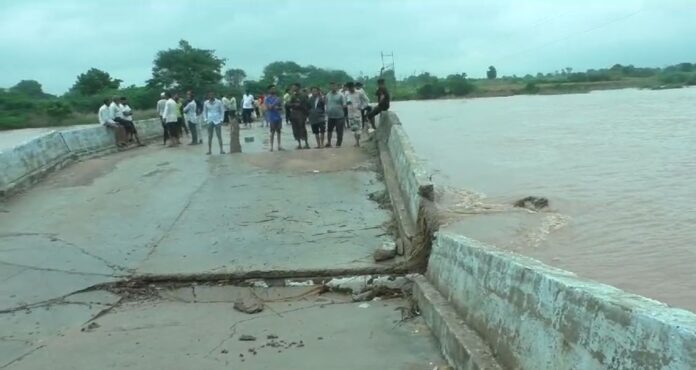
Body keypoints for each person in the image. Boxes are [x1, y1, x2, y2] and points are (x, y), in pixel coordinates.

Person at [344, 82, 368, 147]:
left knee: (359, 129)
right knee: (353, 129)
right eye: (349, 88)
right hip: (350, 113)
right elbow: (344, 102)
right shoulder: (346, 94)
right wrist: (346, 105)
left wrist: (362, 107)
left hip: (357, 113)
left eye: (351, 87)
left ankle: (358, 142)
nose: (350, 89)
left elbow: (366, 100)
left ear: (353, 87)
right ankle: (356, 141)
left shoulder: (359, 93)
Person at [287, 83, 310, 149]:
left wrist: (306, 115)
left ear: (298, 87)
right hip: (294, 114)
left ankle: (306, 143)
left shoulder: (303, 95)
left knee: (302, 128)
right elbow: (288, 104)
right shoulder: (292, 96)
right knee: (295, 129)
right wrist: (294, 104)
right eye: (292, 87)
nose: (293, 88)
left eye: (294, 87)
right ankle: (299, 144)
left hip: (301, 114)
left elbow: (307, 105)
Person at [325, 82, 346, 148]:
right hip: (330, 116)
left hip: (339, 116)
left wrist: (340, 108)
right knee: (329, 130)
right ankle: (329, 142)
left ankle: (338, 143)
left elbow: (344, 105)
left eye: (334, 86)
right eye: (331, 86)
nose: (333, 87)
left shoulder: (341, 95)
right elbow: (326, 103)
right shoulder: (328, 94)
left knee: (339, 130)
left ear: (337, 87)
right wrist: (327, 110)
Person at [264, 85, 283, 152]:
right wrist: (275, 103)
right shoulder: (267, 99)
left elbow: (281, 108)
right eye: (272, 89)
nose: (273, 90)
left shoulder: (278, 98)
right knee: (272, 132)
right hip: (272, 117)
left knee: (279, 131)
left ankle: (279, 145)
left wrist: (278, 107)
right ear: (269, 90)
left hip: (278, 117)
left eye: (274, 89)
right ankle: (271, 146)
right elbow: (269, 107)